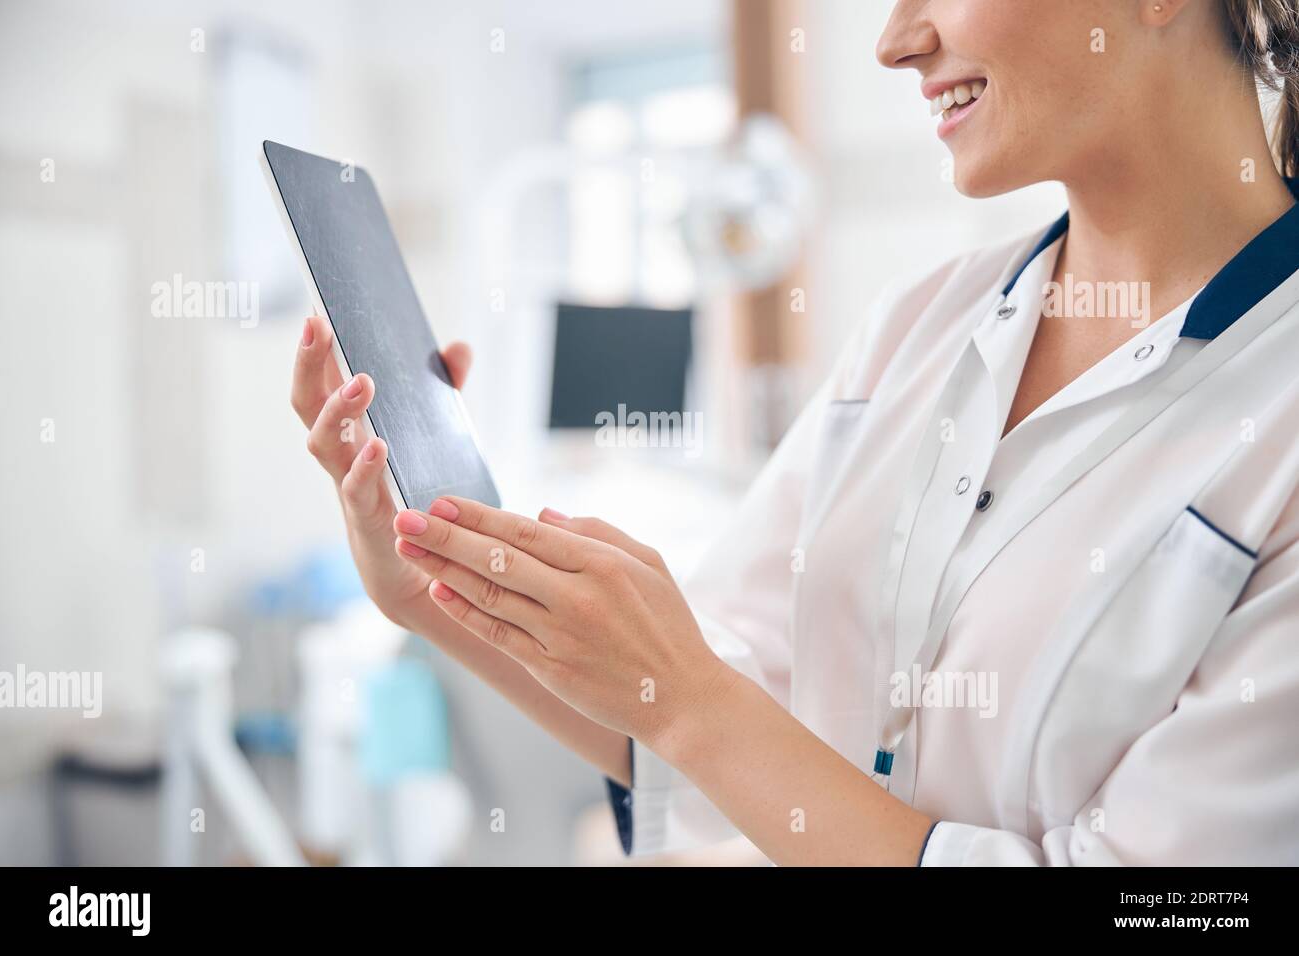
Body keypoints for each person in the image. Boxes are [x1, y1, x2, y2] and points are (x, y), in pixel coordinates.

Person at [290, 0, 1299, 865]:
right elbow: (685, 711)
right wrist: (424, 588)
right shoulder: (915, 329)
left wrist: (692, 700)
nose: (896, 39)